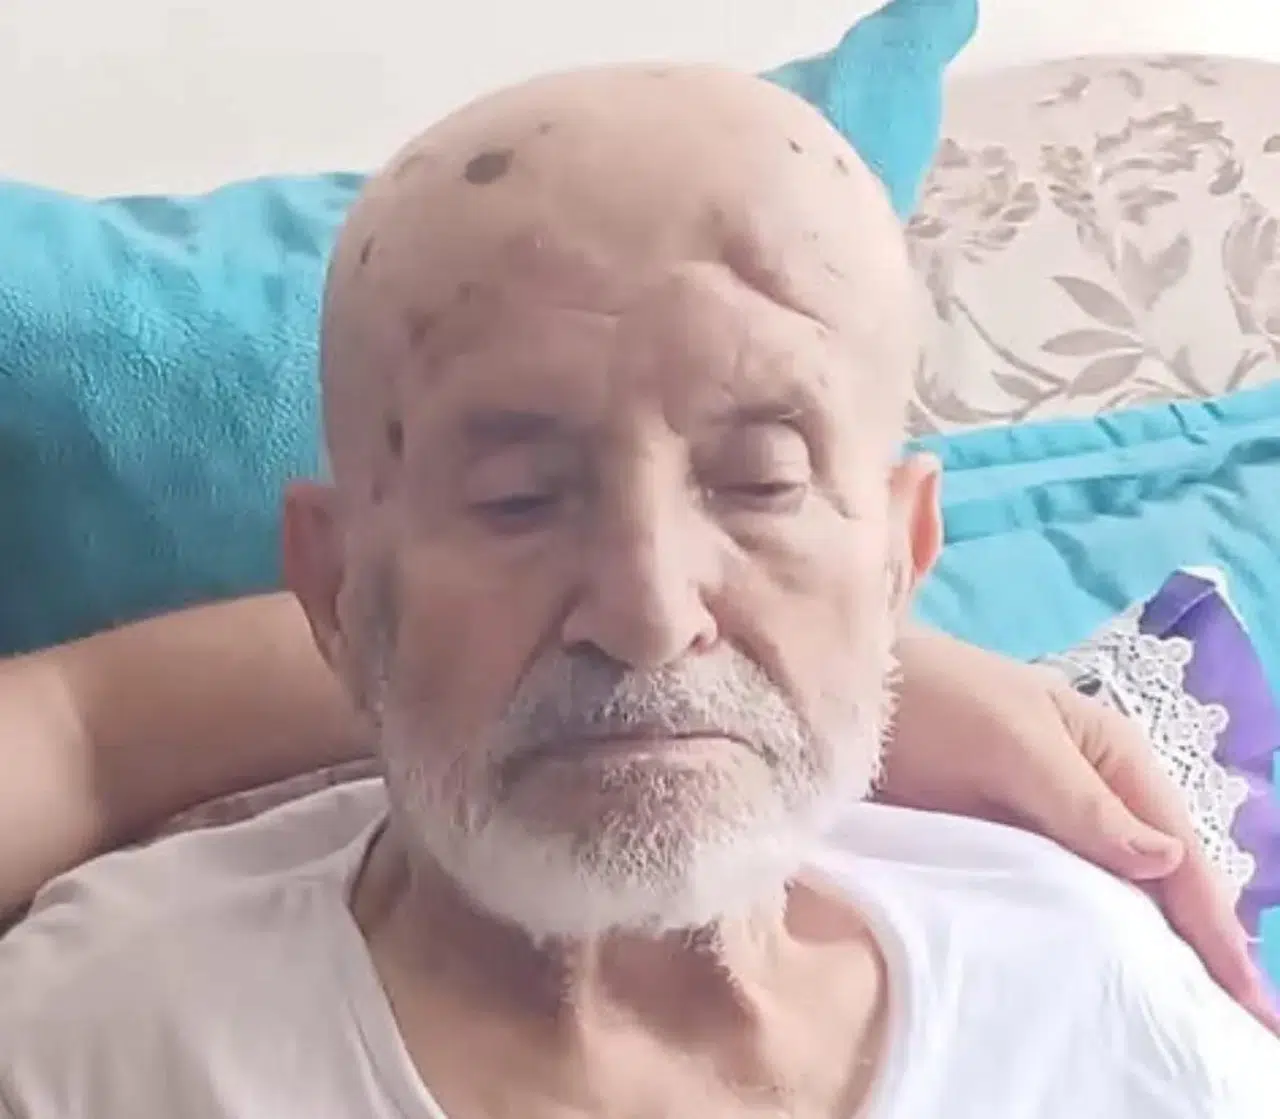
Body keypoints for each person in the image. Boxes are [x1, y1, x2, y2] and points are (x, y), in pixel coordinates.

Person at [1, 64, 1276, 1117]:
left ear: (899, 556)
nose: (651, 615)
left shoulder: (1089, 999)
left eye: (761, 483)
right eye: (516, 498)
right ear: (335, 585)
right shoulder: (102, 1046)